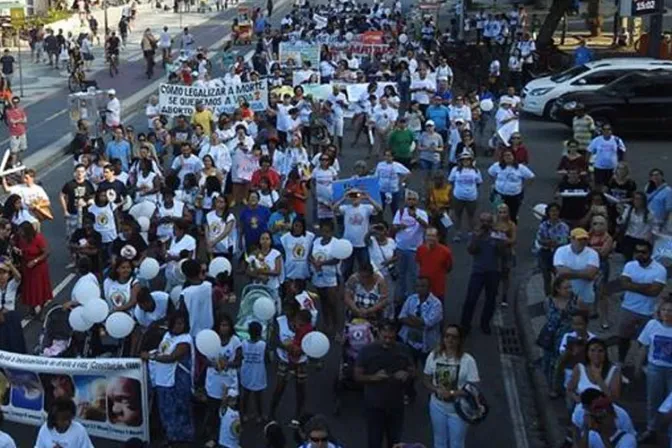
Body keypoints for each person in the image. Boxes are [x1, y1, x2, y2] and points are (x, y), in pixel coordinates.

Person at [354, 320, 414, 448]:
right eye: (384, 337)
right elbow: (357, 376)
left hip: (396, 405)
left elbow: (413, 371)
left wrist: (407, 374)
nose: (387, 340)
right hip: (374, 405)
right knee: (374, 441)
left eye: (391, 338)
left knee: (395, 442)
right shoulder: (367, 351)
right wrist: (373, 377)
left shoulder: (404, 349)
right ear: (378, 333)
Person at [423, 324, 480, 448]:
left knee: (457, 444)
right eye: (447, 336)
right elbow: (426, 380)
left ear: (459, 340)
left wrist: (453, 393)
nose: (450, 340)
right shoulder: (434, 356)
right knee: (439, 441)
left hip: (458, 408)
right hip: (437, 406)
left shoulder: (468, 361)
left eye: (454, 337)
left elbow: (473, 387)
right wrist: (436, 389)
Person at [142, 312, 195, 444]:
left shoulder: (185, 340)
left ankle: (182, 438)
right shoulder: (167, 335)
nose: (180, 326)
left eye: (182, 323)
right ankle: (170, 435)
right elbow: (163, 351)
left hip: (177, 380)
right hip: (163, 378)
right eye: (177, 323)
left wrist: (151, 357)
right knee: (165, 409)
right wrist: (152, 353)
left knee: (179, 409)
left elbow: (172, 357)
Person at [616, 240, 667, 365]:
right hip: (628, 308)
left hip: (648, 311)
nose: (639, 254)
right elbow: (623, 284)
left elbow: (654, 292)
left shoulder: (660, 270)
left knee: (646, 341)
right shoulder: (629, 265)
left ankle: (642, 364)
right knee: (623, 338)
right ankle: (621, 361)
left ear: (650, 253)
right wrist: (646, 286)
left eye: (643, 252)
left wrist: (631, 285)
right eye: (637, 251)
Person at [398, 276, 443, 403]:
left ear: (429, 288)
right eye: (418, 286)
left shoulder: (436, 304)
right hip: (410, 342)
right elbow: (401, 317)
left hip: (427, 345)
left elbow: (428, 324)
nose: (420, 288)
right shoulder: (411, 299)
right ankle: (409, 393)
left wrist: (411, 319)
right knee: (409, 369)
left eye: (423, 286)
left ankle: (435, 395)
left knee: (431, 371)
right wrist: (417, 322)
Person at [634, 296, 672, 444]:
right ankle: (651, 429)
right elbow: (644, 346)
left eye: (670, 311)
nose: (667, 313)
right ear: (659, 311)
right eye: (664, 310)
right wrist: (637, 366)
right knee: (653, 400)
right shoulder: (652, 325)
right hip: (655, 368)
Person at [460, 212, 505, 334]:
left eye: (488, 221)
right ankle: (465, 324)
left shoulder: (497, 234)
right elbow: (471, 250)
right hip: (478, 271)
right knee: (471, 298)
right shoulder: (475, 234)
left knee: (490, 299)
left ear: (492, 223)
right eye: (483, 221)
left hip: (493, 271)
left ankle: (485, 323)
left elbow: (502, 252)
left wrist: (498, 240)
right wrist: (477, 238)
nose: (485, 224)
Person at [204, 313, 242, 447]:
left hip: (230, 383)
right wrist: (213, 364)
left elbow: (238, 361)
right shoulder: (211, 340)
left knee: (230, 412)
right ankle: (212, 437)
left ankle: (229, 436)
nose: (224, 328)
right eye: (221, 325)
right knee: (212, 411)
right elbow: (204, 359)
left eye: (226, 325)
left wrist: (227, 364)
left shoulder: (235, 341)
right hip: (214, 383)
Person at [333, 189, 381, 280]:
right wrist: (344, 198)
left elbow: (379, 209)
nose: (355, 198)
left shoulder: (366, 207)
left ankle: (364, 284)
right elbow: (334, 208)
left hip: (362, 243)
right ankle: (348, 285)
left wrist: (368, 198)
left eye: (357, 195)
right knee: (347, 269)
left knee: (365, 267)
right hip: (348, 244)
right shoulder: (346, 208)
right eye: (353, 195)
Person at [393, 190, 429, 304]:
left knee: (414, 275)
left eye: (413, 199)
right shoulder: (401, 212)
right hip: (400, 247)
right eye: (409, 199)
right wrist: (399, 226)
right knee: (400, 274)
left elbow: (426, 226)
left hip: (415, 249)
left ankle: (414, 299)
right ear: (406, 201)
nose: (411, 201)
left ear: (417, 201)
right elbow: (393, 227)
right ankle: (400, 298)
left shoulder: (422, 213)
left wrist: (416, 217)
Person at [553, 228, 600, 309]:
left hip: (585, 296)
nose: (582, 242)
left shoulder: (593, 253)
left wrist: (568, 273)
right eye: (579, 239)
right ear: (571, 239)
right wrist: (584, 274)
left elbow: (590, 274)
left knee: (582, 320)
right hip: (564, 297)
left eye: (585, 239)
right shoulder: (561, 251)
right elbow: (561, 272)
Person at [566, 338, 621, 407]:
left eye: (600, 351)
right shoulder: (579, 367)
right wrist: (577, 399)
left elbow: (614, 398)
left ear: (605, 353)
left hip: (605, 410)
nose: (596, 354)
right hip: (583, 408)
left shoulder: (614, 370)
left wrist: (599, 379)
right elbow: (569, 390)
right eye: (592, 350)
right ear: (587, 352)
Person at [16, 221, 52, 317]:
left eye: (22, 231)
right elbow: (23, 250)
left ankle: (41, 311)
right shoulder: (21, 239)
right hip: (27, 267)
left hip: (38, 268)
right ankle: (31, 310)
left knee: (39, 289)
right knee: (29, 289)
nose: (20, 233)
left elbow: (46, 252)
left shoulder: (38, 238)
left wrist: (35, 261)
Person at [240, 320, 267, 423]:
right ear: (260, 333)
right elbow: (268, 359)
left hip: (246, 372)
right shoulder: (263, 345)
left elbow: (241, 356)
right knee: (258, 396)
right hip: (258, 373)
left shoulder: (243, 343)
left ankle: (244, 414)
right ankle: (259, 415)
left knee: (246, 394)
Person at [415, 227, 452, 301]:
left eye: (433, 236)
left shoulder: (446, 252)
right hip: (424, 287)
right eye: (428, 236)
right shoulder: (420, 249)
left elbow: (448, 268)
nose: (430, 238)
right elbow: (419, 263)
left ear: (438, 237)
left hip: (438, 287)